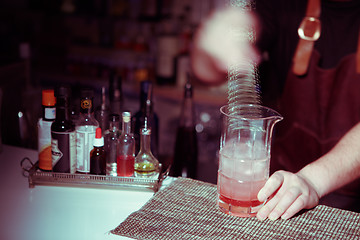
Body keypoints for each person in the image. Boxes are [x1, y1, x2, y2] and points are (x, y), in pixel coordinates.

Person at [191, 0, 360, 221]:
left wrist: (311, 181)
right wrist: (210, 46)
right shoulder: (282, 6)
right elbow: (206, 70)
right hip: (278, 197)